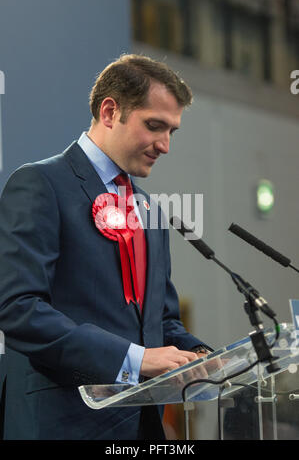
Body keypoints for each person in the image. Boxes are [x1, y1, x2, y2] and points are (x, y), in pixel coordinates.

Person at [0, 54, 212, 440]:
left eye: (172, 132)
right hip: (60, 423)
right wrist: (136, 359)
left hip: (141, 427)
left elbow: (160, 322)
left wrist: (203, 358)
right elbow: (18, 310)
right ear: (110, 111)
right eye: (154, 126)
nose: (165, 145)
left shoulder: (149, 209)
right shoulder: (39, 184)